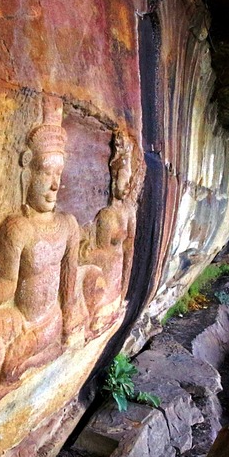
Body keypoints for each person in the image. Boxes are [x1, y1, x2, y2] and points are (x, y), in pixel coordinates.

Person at [0, 95, 83, 383]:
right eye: (46, 172)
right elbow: (8, 285)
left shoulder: (67, 226)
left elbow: (69, 280)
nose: (54, 184)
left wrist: (70, 319)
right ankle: (23, 362)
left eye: (58, 174)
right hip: (20, 319)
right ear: (28, 171)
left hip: (49, 320)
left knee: (10, 369)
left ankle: (25, 365)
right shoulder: (17, 228)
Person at [80, 129, 139, 336]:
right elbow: (102, 250)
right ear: (114, 179)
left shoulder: (129, 211)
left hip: (118, 269)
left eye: (129, 180)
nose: (127, 186)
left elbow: (129, 244)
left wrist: (125, 281)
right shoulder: (105, 215)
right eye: (124, 179)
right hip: (105, 271)